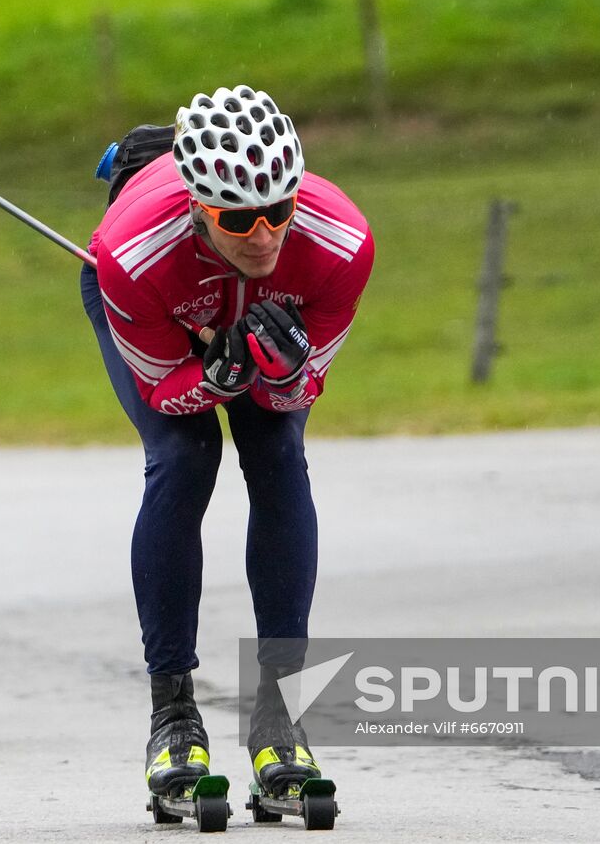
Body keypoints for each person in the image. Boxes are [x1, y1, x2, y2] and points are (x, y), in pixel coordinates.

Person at [83, 86, 374, 799]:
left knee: (278, 455)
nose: (265, 235)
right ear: (197, 206)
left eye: (279, 209)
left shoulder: (342, 244)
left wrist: (281, 371)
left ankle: (279, 716)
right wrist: (217, 372)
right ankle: (173, 714)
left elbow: (293, 399)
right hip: (164, 311)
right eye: (238, 219)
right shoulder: (130, 255)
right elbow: (164, 394)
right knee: (184, 457)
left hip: (259, 332)